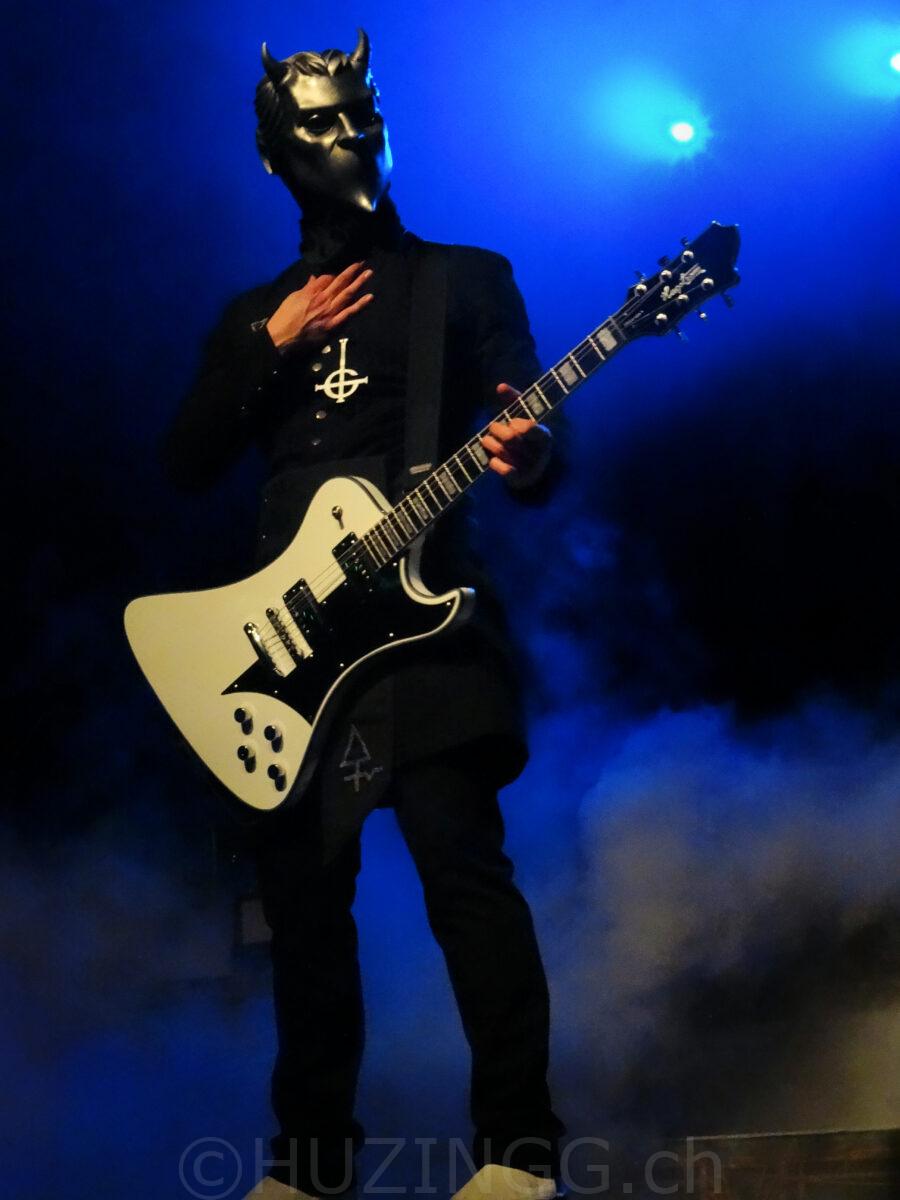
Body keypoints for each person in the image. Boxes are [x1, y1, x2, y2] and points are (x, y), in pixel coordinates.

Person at [163, 29, 565, 1200]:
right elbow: (185, 460)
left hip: (425, 637)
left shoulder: (465, 279)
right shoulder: (255, 312)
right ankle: (309, 1167)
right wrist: (267, 345)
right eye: (321, 124)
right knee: (301, 919)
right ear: (273, 156)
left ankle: (519, 1153)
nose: (350, 139)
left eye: (364, 117)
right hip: (291, 657)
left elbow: (534, 435)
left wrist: (531, 450)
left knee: (466, 881)